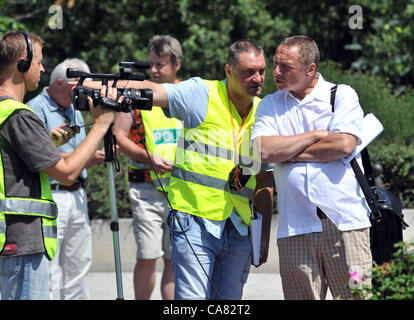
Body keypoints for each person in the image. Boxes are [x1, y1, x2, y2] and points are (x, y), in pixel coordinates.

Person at [84, 39, 274, 300]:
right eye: (248, 71)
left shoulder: (265, 111)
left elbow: (265, 178)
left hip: (239, 227)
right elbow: (153, 90)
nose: (257, 78)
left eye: (261, 71)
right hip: (195, 221)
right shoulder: (201, 94)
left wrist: (262, 238)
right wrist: (98, 85)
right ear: (228, 71)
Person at [251, 35, 372, 300]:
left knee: (357, 297)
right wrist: (315, 135)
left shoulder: (341, 95)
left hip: (345, 226)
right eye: (275, 64)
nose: (276, 72)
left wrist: (289, 154)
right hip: (295, 228)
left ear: (310, 69)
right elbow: (262, 150)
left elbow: (342, 144)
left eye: (286, 67)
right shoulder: (271, 104)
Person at [0, 30, 117, 300]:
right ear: (22, 63)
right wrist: (101, 124)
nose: (42, 68)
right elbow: (66, 174)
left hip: (10, 239)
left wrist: (48, 143)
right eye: (39, 61)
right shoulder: (20, 115)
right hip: (23, 243)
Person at [27, 58, 105, 300]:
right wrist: (84, 158)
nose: (84, 93)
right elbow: (40, 157)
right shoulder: (34, 109)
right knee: (49, 269)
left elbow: (80, 152)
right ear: (61, 83)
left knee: (79, 265)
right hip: (52, 194)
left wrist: (91, 155)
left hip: (78, 193)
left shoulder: (74, 109)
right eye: (80, 87)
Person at [113, 35, 183, 300]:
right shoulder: (134, 96)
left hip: (180, 189)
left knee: (173, 259)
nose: (153, 70)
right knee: (147, 255)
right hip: (145, 188)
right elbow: (119, 137)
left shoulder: (187, 94)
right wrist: (149, 157)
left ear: (176, 65)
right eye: (151, 64)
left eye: (160, 64)